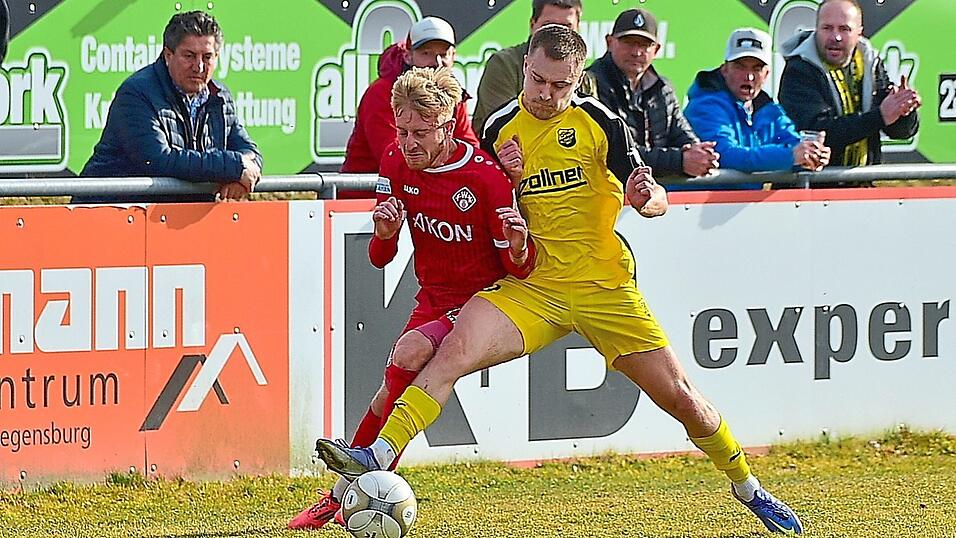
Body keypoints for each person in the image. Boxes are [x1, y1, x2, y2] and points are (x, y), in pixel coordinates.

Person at [314, 25, 804, 535]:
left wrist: (648, 200)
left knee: (681, 398)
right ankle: (377, 454)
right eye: (539, 81)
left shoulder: (601, 122)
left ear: (577, 81)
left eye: (560, 85)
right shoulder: (500, 129)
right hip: (533, 288)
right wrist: (503, 184)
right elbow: (480, 199)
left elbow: (652, 196)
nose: (547, 95)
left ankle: (748, 485)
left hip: (603, 290)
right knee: (451, 353)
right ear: (525, 67)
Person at [288, 66, 536, 530]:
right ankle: (345, 495)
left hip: (488, 299)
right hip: (434, 300)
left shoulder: (485, 178)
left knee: (410, 350)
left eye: (421, 132)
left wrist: (518, 245)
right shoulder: (395, 162)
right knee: (391, 387)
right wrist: (385, 233)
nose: (409, 142)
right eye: (402, 130)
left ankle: (347, 487)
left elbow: (518, 269)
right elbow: (382, 257)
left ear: (448, 125)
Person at [78, 10, 261, 204]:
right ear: (168, 54)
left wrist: (241, 174)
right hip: (109, 215)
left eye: (207, 57)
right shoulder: (136, 93)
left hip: (175, 219)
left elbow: (249, 151)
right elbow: (159, 160)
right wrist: (233, 167)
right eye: (189, 56)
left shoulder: (219, 95)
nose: (198, 67)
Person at [338, 16, 479, 197]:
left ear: (453, 56)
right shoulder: (382, 92)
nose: (436, 62)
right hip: (364, 202)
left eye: (443, 54)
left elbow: (470, 150)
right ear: (408, 56)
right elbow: (396, 157)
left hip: (429, 195)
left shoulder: (452, 94)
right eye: (426, 53)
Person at [778, 0, 919, 175]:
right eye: (827, 28)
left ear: (859, 33)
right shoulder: (799, 69)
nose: (835, 37)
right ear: (816, 29)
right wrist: (881, 115)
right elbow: (818, 132)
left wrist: (903, 112)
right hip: (811, 187)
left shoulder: (870, 63)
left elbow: (900, 132)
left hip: (861, 184)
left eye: (844, 29)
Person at [684, 28, 830, 186]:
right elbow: (725, 155)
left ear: (767, 74)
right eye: (740, 66)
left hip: (740, 206)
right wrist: (791, 156)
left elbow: (792, 142)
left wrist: (813, 154)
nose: (749, 76)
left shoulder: (769, 111)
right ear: (724, 70)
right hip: (695, 205)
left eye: (757, 68)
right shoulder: (704, 106)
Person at [588, 8, 718, 179]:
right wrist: (679, 161)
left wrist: (699, 154)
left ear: (656, 50)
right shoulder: (591, 85)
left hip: (651, 197)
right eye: (629, 42)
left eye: (644, 45)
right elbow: (614, 152)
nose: (636, 52)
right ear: (609, 42)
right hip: (607, 197)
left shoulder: (663, 88)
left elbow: (682, 134)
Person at [471, 0, 593, 136]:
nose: (557, 34)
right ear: (532, 24)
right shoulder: (504, 63)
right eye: (549, 26)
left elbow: (591, 131)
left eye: (566, 27)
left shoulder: (586, 78)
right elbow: (501, 128)